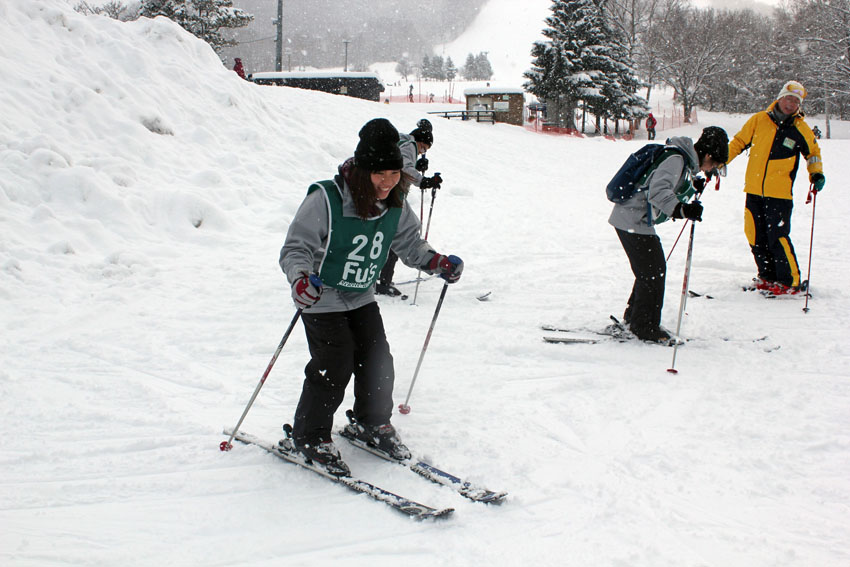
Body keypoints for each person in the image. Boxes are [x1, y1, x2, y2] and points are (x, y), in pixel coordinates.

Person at [278, 118, 464, 476]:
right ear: (362, 170)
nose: (388, 181)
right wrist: (300, 279)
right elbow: (296, 248)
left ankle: (371, 422)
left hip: (361, 294)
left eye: (394, 173)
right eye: (379, 173)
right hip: (323, 295)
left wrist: (436, 263)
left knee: (378, 358)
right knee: (335, 361)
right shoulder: (326, 198)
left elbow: (410, 245)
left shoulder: (395, 204)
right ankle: (310, 436)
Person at [608, 127, 729, 344]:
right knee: (653, 272)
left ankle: (634, 319)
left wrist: (691, 186)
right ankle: (644, 327)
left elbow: (664, 183)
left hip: (632, 219)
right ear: (708, 155)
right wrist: (683, 210)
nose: (712, 169)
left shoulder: (680, 158)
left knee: (649, 271)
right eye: (715, 165)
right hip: (632, 220)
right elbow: (658, 192)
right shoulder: (676, 160)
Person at [726, 80, 825, 295]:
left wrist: (816, 173)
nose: (791, 104)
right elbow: (738, 142)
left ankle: (790, 281)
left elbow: (813, 153)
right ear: (780, 98)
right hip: (753, 189)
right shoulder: (759, 120)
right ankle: (768, 277)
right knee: (755, 235)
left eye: (796, 101)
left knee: (777, 236)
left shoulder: (800, 128)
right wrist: (719, 162)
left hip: (779, 194)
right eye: (788, 98)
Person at [376, 119, 443, 296]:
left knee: (387, 236)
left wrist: (416, 166)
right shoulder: (410, 145)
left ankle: (379, 278)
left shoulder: (401, 141)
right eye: (424, 148)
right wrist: (423, 181)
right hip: (391, 196)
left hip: (383, 193)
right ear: (421, 142)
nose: (422, 152)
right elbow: (403, 167)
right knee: (397, 236)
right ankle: (383, 281)